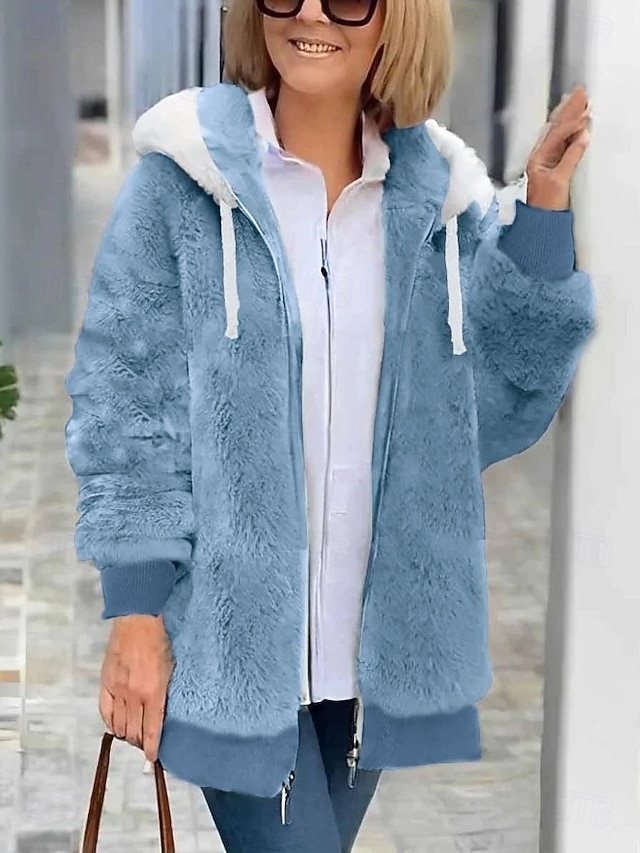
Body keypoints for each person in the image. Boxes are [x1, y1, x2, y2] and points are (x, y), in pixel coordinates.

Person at [63, 0, 596, 850]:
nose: (310, 12)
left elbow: (491, 411)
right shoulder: (184, 182)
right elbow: (124, 402)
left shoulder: (436, 205)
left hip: (369, 656)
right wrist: (136, 611)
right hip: (229, 649)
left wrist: (542, 212)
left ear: (398, 19)